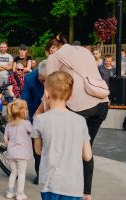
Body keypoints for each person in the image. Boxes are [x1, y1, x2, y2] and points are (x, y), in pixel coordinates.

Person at [37, 34, 109, 200]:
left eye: (48, 53)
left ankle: (65, 190)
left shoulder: (55, 56)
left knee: (67, 151)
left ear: (52, 49)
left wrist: (40, 114)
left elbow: (50, 88)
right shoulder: (84, 50)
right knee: (86, 149)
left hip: (80, 106)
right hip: (102, 103)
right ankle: (86, 193)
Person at [32, 71, 93, 200]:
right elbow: (87, 156)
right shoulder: (80, 121)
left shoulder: (39, 120)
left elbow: (38, 151)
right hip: (73, 186)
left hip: (49, 183)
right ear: (70, 96)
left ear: (46, 94)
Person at [21, 60, 46, 185]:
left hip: (53, 113)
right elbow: (24, 100)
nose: (44, 83)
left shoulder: (58, 75)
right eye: (42, 80)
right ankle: (40, 173)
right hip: (34, 113)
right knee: (38, 145)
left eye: (47, 80)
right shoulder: (30, 78)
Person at [4, 99, 32, 200]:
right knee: (21, 174)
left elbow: (5, 139)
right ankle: (20, 194)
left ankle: (10, 192)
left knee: (13, 173)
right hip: (22, 153)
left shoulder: (8, 125)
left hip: (11, 153)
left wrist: (10, 146)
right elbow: (32, 133)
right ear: (23, 111)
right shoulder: (26, 124)